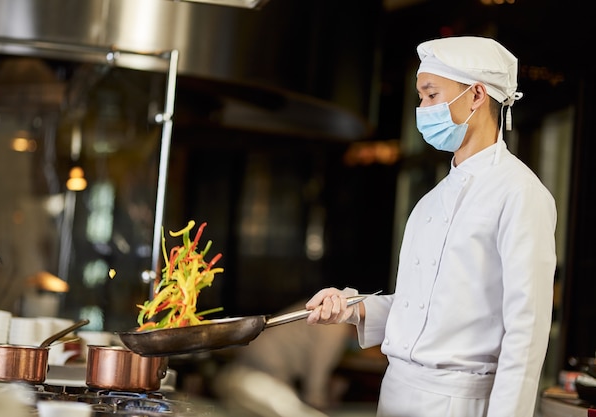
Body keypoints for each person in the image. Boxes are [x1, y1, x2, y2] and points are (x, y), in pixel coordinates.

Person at [305, 36, 557, 417]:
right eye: (420, 97)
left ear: (476, 95)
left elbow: (526, 332)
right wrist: (353, 308)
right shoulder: (429, 202)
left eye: (431, 95)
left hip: (458, 402)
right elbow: (421, 307)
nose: (421, 109)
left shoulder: (521, 194)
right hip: (396, 392)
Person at [212, 301, 353, 417]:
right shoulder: (337, 326)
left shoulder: (331, 312)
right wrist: (318, 404)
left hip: (255, 354)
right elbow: (316, 381)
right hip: (267, 364)